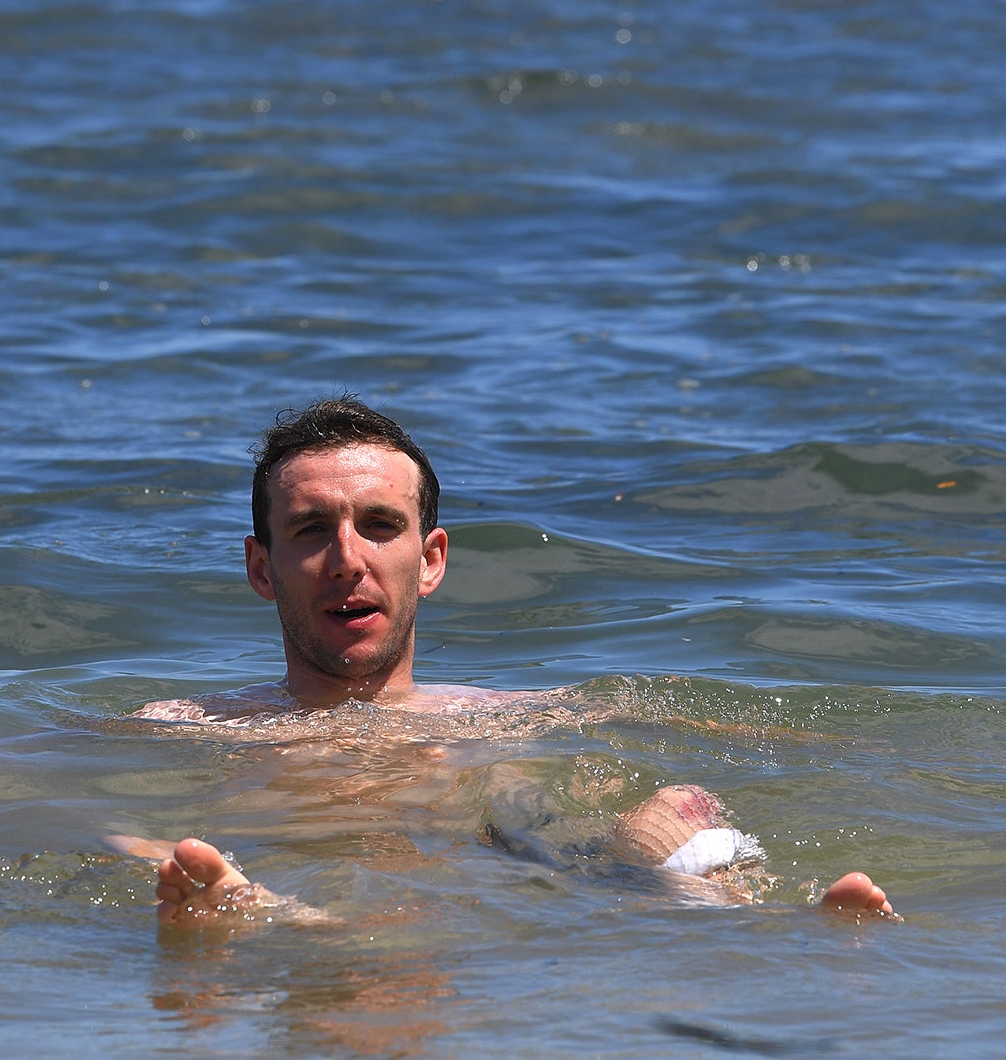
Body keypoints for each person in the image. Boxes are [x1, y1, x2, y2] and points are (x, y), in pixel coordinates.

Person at [113, 396, 898, 927]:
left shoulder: (511, 718)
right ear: (261, 567)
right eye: (312, 529)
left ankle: (771, 924)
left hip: (505, 887)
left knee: (670, 809)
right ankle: (263, 913)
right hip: (290, 881)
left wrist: (870, 746)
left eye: (379, 525)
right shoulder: (189, 726)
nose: (348, 558)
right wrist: (157, 855)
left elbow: (741, 733)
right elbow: (84, 814)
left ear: (431, 560)